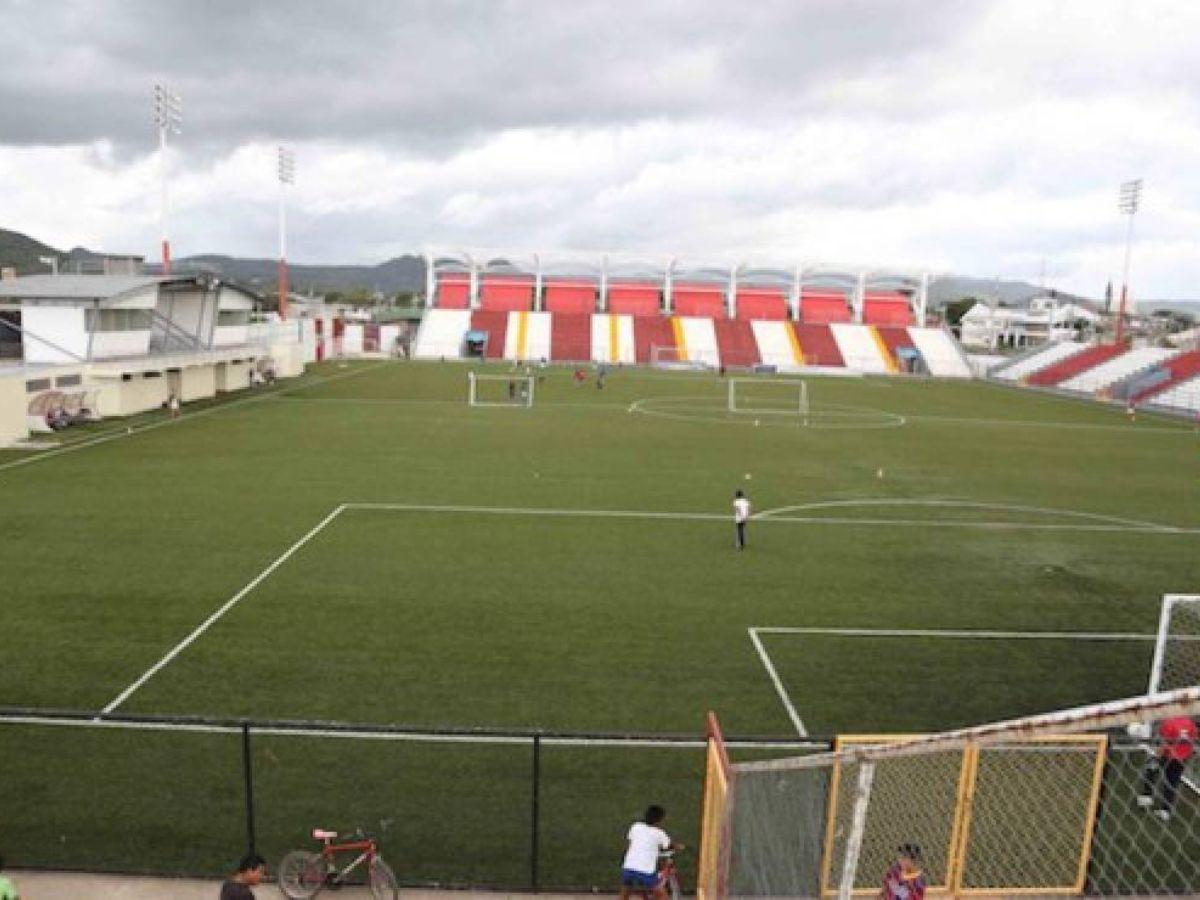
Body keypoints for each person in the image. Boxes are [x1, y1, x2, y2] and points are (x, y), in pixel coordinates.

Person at [1137, 715, 1197, 820]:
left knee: (1150, 769)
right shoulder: (1190, 723)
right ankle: (1166, 811)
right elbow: (1193, 740)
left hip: (1167, 755)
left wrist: (1156, 757)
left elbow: (1163, 744)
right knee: (1172, 782)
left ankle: (1147, 797)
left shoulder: (1168, 723)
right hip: (1181, 758)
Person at [620, 805, 681, 900]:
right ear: (659, 820)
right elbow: (669, 845)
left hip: (628, 868)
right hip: (645, 872)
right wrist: (679, 847)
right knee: (662, 896)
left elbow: (631, 843)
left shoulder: (635, 827)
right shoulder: (660, 833)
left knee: (625, 894)